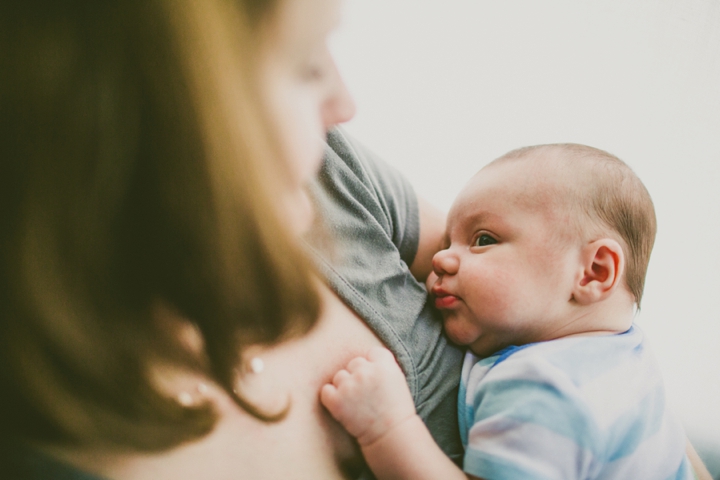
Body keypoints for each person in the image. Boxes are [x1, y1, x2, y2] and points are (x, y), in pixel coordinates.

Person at [0, 0, 461, 478]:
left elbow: (529, 267)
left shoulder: (322, 177)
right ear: (153, 109)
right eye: (305, 65)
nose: (345, 105)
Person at [321, 144, 699, 479]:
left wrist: (387, 427)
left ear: (593, 272)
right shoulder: (626, 355)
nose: (439, 258)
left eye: (483, 240)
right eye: (447, 241)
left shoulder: (544, 389)